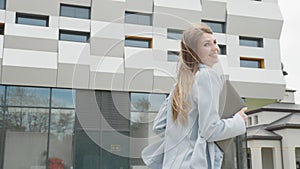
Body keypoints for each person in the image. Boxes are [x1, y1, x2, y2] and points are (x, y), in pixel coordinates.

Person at [142, 23, 248, 169]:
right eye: (206, 44)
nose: (215, 48)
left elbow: (159, 126)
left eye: (215, 42)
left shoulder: (181, 85)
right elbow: (210, 130)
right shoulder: (208, 76)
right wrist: (238, 121)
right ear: (193, 52)